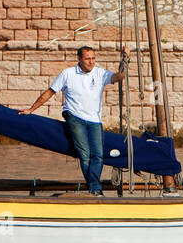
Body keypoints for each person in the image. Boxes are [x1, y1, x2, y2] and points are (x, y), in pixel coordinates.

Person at [20, 46, 134, 195]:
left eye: (93, 58)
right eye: (87, 59)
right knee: (85, 154)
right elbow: (49, 92)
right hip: (74, 117)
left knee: (98, 155)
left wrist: (126, 59)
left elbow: (120, 77)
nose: (91, 62)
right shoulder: (68, 74)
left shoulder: (100, 73)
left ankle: (94, 188)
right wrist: (31, 109)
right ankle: (95, 189)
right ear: (79, 59)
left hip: (94, 120)